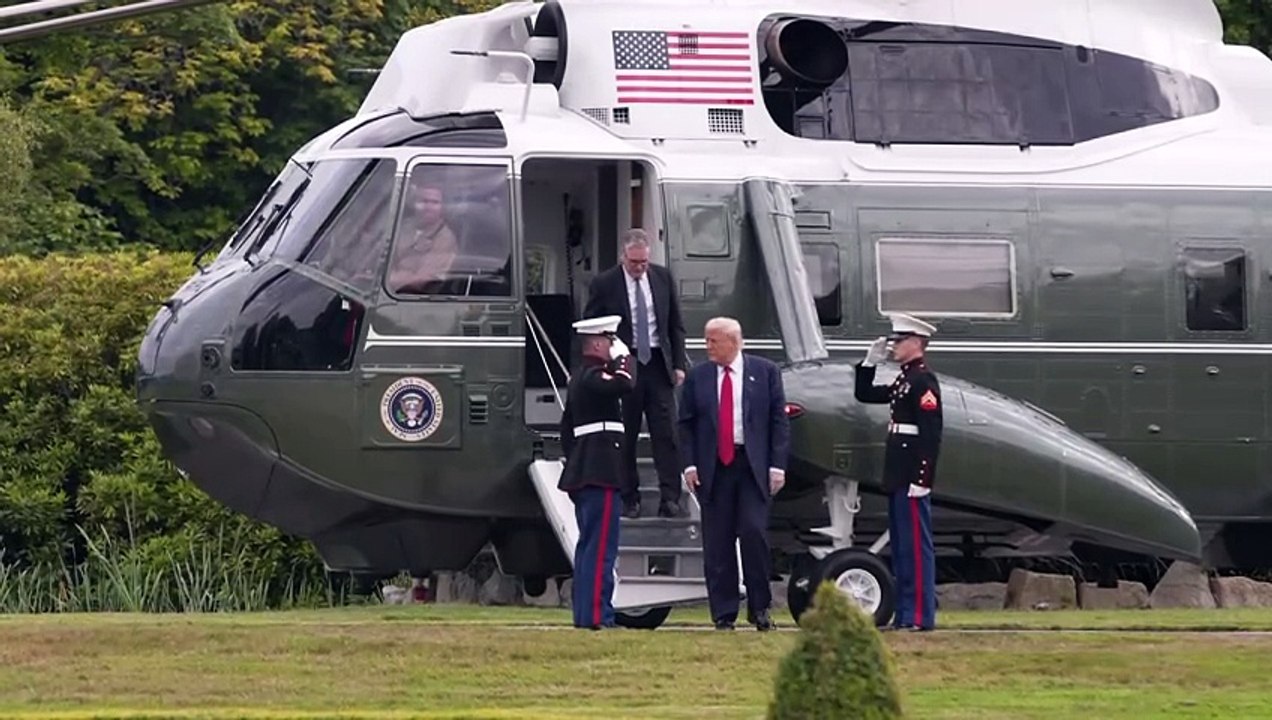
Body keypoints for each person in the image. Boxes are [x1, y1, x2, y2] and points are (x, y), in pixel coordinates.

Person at [677, 317, 789, 631]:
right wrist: (689, 464)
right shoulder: (698, 377)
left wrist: (777, 465)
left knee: (753, 533)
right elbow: (685, 424)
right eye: (706, 340)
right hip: (713, 468)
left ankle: (760, 608)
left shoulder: (765, 372)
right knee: (718, 541)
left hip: (751, 466)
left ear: (733, 342)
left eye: (713, 340)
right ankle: (724, 613)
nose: (707, 346)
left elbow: (779, 423)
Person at [584, 229, 688, 519]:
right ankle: (629, 498)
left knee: (666, 433)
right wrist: (592, 368)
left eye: (643, 262)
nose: (639, 268)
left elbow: (675, 325)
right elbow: (591, 326)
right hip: (624, 362)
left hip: (657, 363)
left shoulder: (663, 277)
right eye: (634, 263)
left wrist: (679, 364)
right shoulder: (605, 283)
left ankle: (670, 498)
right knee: (625, 434)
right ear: (623, 257)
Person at [854, 312, 943, 632]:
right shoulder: (904, 379)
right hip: (898, 473)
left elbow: (930, 435)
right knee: (903, 546)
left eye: (899, 341)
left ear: (917, 343)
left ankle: (919, 615)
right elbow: (865, 394)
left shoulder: (923, 381)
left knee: (917, 547)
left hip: (911, 476)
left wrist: (923, 478)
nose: (894, 346)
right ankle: (906, 614)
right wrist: (867, 365)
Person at [558, 314, 636, 630]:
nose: (614, 347)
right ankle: (596, 616)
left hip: (590, 468)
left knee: (592, 546)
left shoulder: (582, 377)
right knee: (600, 548)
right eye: (610, 341)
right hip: (598, 471)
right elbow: (626, 383)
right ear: (598, 343)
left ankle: (588, 614)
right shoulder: (592, 376)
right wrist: (626, 358)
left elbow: (566, 432)